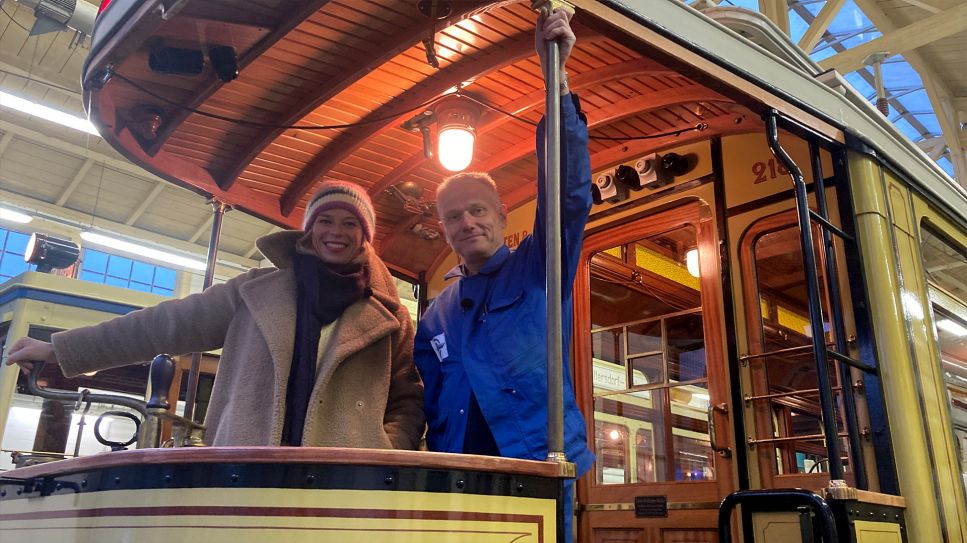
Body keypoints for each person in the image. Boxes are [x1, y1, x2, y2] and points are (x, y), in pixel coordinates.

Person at [6, 181, 424, 449]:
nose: (336, 231)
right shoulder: (253, 292)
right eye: (326, 221)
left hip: (344, 483)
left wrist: (386, 446)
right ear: (309, 231)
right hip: (242, 467)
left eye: (350, 224)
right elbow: (163, 326)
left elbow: (407, 397)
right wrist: (61, 349)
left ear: (365, 236)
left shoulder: (390, 316)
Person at [413, 7, 593, 541]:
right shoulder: (437, 313)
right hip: (460, 474)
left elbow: (568, 192)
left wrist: (554, 77)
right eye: (453, 217)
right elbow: (429, 391)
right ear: (444, 230)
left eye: (478, 211)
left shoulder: (538, 267)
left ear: (499, 217)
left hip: (534, 463)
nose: (467, 223)